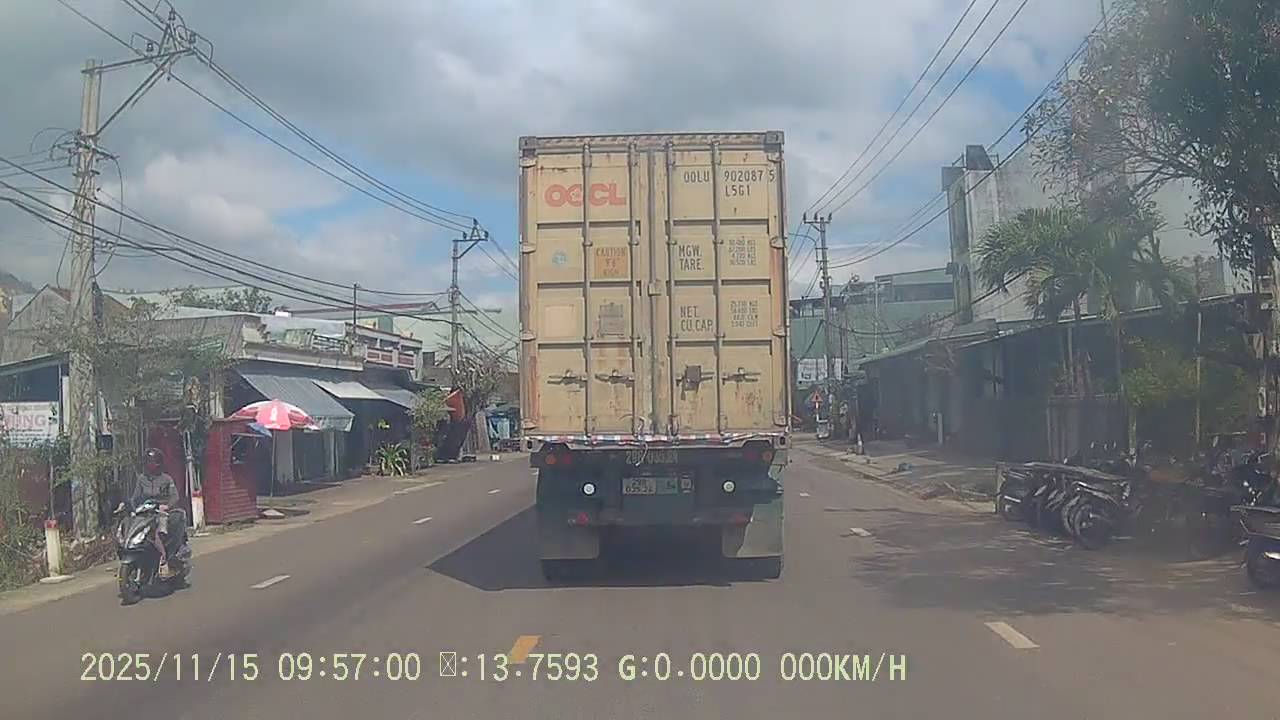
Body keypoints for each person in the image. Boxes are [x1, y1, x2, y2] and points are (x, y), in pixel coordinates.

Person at [131, 448, 181, 577]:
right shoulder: (141, 479)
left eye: (153, 462)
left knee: (159, 532)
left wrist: (167, 506)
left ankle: (164, 560)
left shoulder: (166, 479)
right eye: (148, 462)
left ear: (159, 464)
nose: (151, 465)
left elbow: (175, 496)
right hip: (145, 512)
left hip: (161, 512)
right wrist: (132, 507)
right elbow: (135, 497)